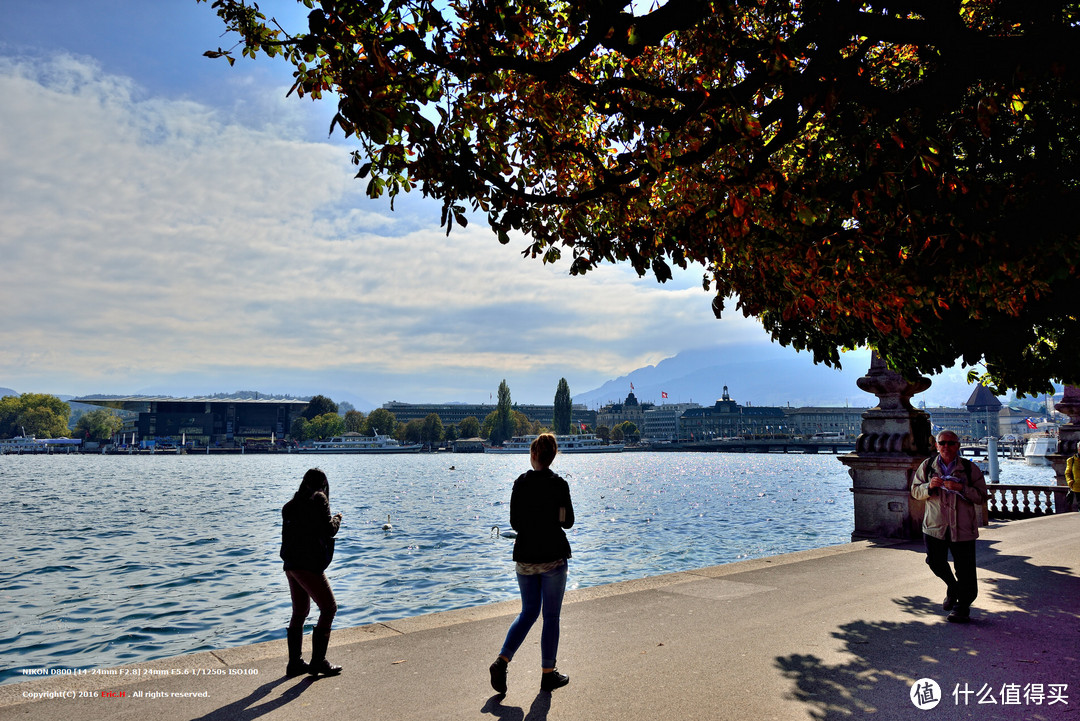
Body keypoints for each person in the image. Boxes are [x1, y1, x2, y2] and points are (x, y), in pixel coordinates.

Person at [489, 434, 575, 694]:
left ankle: (502, 661)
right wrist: (554, 515)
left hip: (525, 556)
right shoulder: (559, 484)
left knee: (528, 612)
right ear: (552, 456)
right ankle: (548, 675)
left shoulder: (520, 483)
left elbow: (515, 523)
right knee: (550, 616)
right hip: (552, 558)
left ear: (534, 455)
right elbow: (567, 522)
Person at [911, 430, 989, 623]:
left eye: (951, 443)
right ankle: (952, 587)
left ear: (958, 446)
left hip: (962, 527)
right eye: (942, 443)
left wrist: (962, 488)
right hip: (934, 526)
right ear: (936, 446)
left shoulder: (970, 469)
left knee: (966, 569)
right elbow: (915, 492)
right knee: (935, 561)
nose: (947, 446)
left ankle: (962, 607)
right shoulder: (927, 466)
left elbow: (981, 497)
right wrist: (929, 486)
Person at [280, 468, 343, 676]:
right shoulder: (319, 499)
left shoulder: (289, 506)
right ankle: (318, 661)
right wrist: (337, 519)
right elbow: (328, 530)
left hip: (291, 564)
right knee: (329, 608)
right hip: (308, 564)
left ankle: (295, 663)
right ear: (322, 483)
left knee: (300, 612)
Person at [1066, 447, 1080, 511]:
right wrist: (1070, 482)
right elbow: (1067, 473)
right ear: (1078, 448)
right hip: (1077, 488)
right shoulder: (1071, 460)